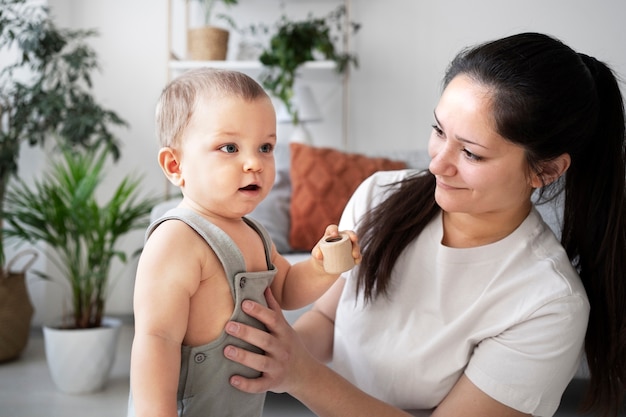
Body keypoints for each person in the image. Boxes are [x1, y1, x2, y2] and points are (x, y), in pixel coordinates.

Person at [222, 32, 626, 417]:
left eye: (471, 153)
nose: (436, 163)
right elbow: (330, 320)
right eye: (438, 131)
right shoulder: (379, 195)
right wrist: (269, 355)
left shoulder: (548, 303)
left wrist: (300, 374)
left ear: (547, 170)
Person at [127, 68, 361, 417]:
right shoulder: (176, 239)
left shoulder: (253, 233)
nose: (254, 163)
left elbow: (285, 289)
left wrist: (321, 267)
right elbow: (155, 340)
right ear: (175, 165)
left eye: (265, 147)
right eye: (229, 147)